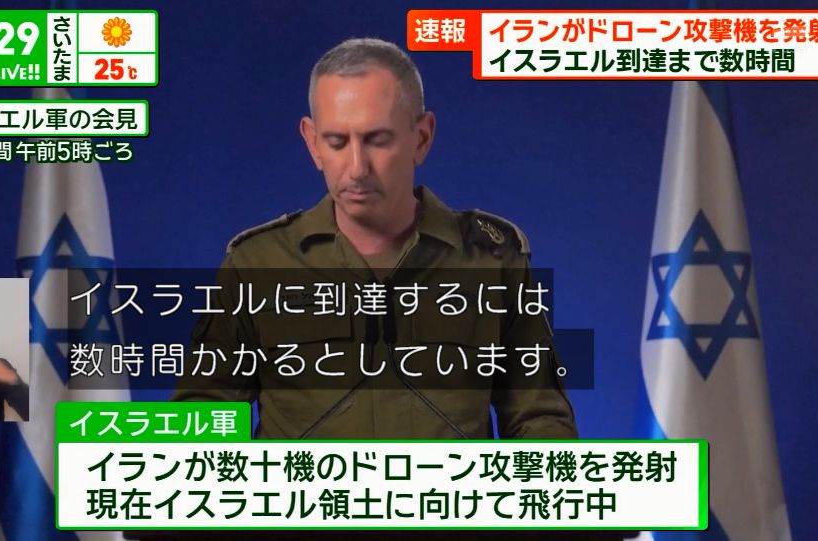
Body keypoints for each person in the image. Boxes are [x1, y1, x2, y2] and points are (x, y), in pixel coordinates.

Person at [173, 38, 576, 439]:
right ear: (313, 143)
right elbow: (200, 422)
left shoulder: (493, 261)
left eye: (377, 140)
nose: (356, 168)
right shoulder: (256, 265)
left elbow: (540, 420)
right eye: (336, 142)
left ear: (421, 138)